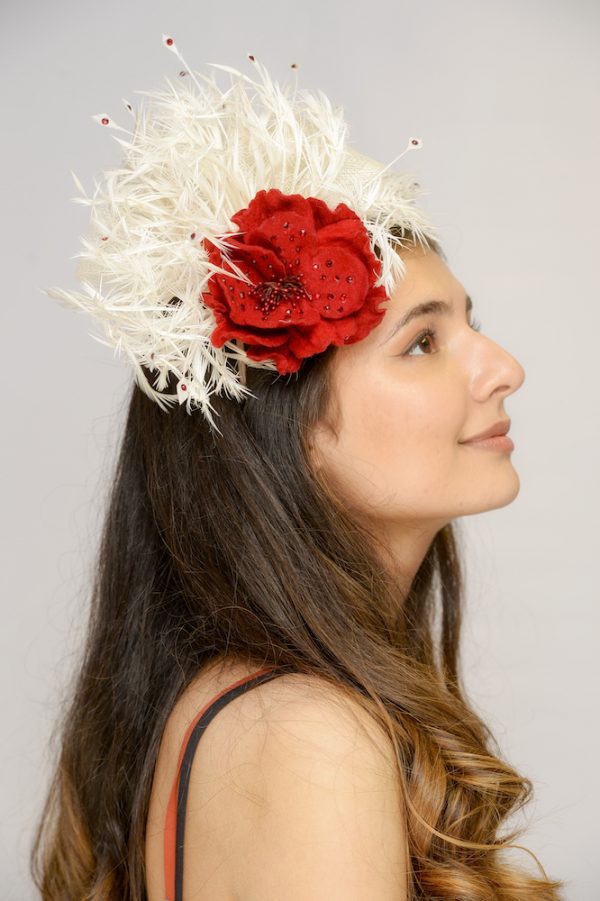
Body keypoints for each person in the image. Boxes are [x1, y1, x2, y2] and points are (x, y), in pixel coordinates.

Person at [31, 34, 565, 901]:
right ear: (288, 431)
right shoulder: (308, 732)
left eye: (470, 322)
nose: (503, 366)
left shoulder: (246, 704)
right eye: (423, 341)